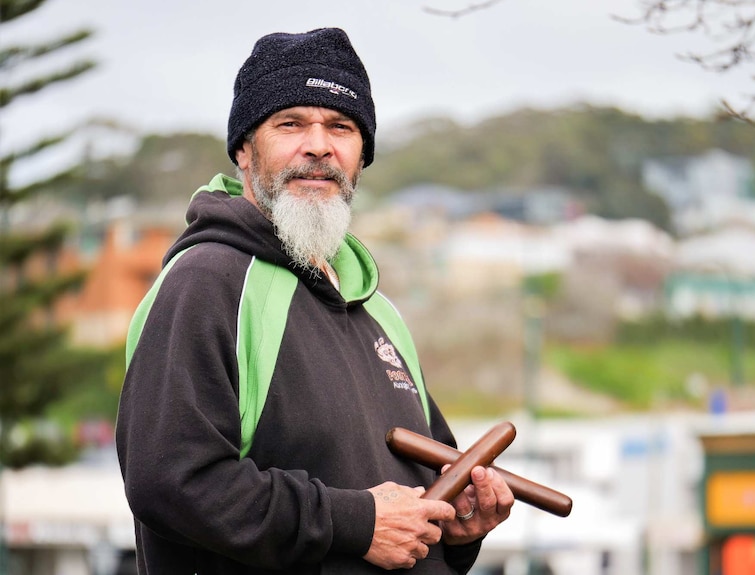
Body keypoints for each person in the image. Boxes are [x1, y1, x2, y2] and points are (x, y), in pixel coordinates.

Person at [115, 27, 514, 574]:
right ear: (244, 150)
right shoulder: (207, 282)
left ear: (360, 156)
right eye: (291, 123)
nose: (319, 145)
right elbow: (171, 481)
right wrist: (354, 523)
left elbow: (416, 509)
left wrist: (458, 528)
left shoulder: (381, 312)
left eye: (341, 127)